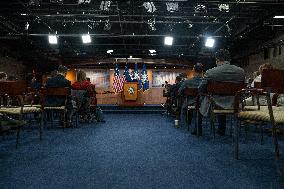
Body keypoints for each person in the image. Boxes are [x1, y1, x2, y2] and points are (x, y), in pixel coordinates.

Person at [199, 49, 245, 135]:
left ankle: (198, 131)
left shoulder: (210, 72)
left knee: (208, 99)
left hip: (215, 104)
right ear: (229, 59)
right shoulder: (241, 72)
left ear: (217, 60)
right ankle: (222, 129)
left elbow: (201, 88)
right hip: (234, 104)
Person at [178, 63, 204, 134]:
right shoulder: (204, 82)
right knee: (199, 107)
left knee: (184, 107)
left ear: (194, 71)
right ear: (202, 72)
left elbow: (179, 91)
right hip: (203, 104)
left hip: (190, 104)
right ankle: (197, 127)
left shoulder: (187, 81)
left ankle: (184, 125)